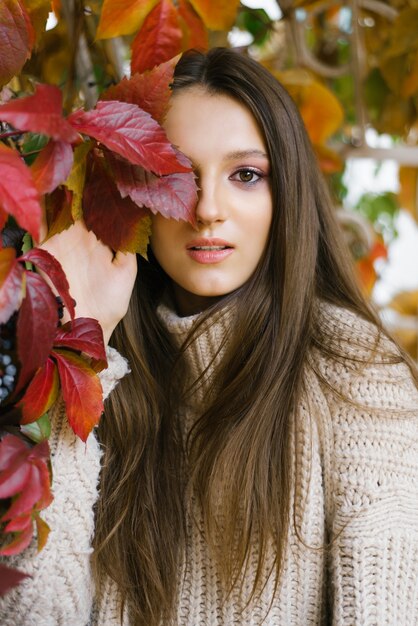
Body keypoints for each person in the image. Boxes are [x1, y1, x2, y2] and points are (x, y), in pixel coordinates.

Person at [1, 47, 418, 626]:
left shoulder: (356, 369)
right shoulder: (105, 362)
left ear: (286, 194)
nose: (207, 209)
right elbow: (32, 615)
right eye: (173, 175)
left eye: (246, 175)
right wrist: (78, 338)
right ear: (134, 194)